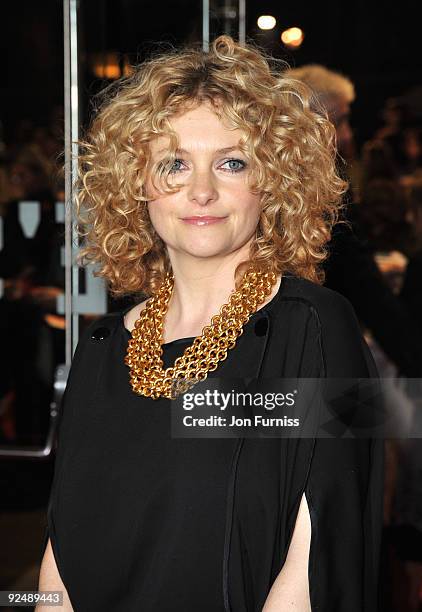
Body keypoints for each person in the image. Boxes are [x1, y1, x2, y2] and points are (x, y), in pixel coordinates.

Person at [37, 36, 384, 611]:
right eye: (173, 164)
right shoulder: (100, 348)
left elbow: (321, 554)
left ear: (272, 182)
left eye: (231, 162)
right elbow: (58, 558)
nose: (201, 190)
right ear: (136, 185)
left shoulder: (321, 327)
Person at [285, 63, 422, 379]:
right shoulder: (318, 196)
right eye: (340, 121)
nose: (347, 135)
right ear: (303, 123)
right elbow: (364, 286)